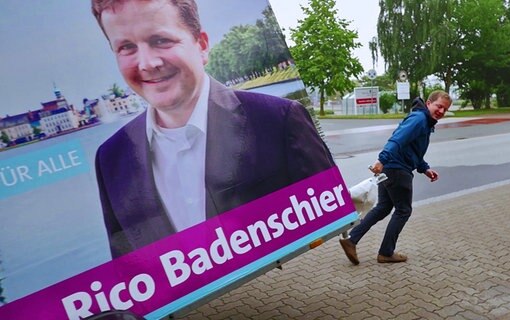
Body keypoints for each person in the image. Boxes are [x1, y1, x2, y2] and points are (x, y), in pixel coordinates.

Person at [92, 0, 334, 258]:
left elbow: (331, 214)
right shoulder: (110, 159)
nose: (147, 63)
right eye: (127, 47)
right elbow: (129, 269)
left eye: (160, 40)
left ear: (202, 45)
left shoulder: (280, 119)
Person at [339, 90, 451, 264]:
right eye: (439, 106)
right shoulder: (419, 119)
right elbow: (397, 139)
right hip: (397, 169)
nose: (441, 112)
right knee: (403, 210)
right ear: (429, 103)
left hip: (393, 168)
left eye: (445, 109)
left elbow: (412, 149)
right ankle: (386, 252)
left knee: (384, 207)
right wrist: (381, 159)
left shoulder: (425, 121)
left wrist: (425, 169)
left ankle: (351, 240)